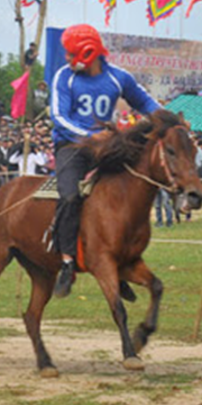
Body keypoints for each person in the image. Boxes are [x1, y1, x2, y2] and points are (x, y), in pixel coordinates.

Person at [50, 23, 161, 297]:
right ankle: (66, 262)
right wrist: (89, 135)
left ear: (87, 53)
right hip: (71, 147)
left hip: (107, 147)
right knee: (69, 197)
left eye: (70, 53)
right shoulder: (64, 78)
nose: (66, 58)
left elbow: (146, 103)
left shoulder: (118, 77)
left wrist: (169, 121)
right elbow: (59, 117)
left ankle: (119, 262)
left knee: (128, 189)